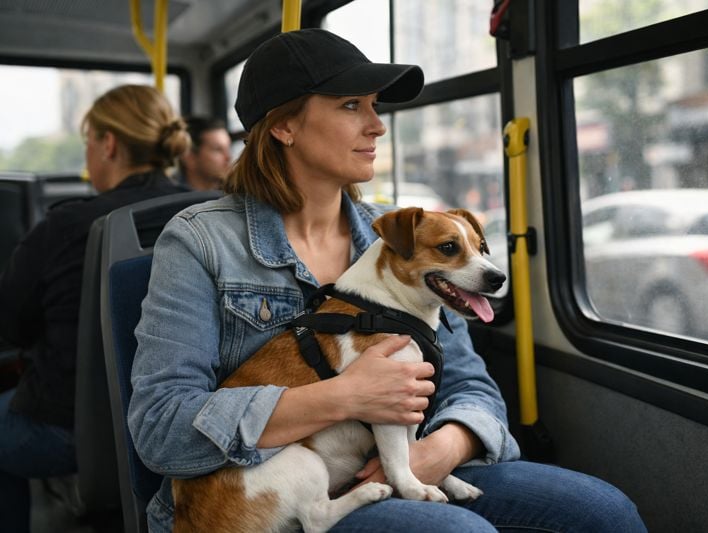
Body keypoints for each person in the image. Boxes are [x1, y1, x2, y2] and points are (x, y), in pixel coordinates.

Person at [128, 29, 648, 532]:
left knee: (605, 512)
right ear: (284, 126)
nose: (377, 125)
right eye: (352, 106)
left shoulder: (404, 238)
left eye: (375, 106)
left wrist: (436, 452)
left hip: (404, 460)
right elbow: (162, 428)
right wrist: (343, 398)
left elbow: (469, 385)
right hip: (265, 496)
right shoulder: (199, 242)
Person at [0, 84, 191, 532]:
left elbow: (11, 324)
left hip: (71, 431)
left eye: (88, 142)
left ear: (108, 144)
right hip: (182, 423)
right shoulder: (207, 210)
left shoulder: (66, 224)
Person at [176, 116, 232, 190]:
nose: (228, 157)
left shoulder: (239, 195)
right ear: (190, 158)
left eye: (228, 148)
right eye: (217, 149)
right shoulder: (167, 197)